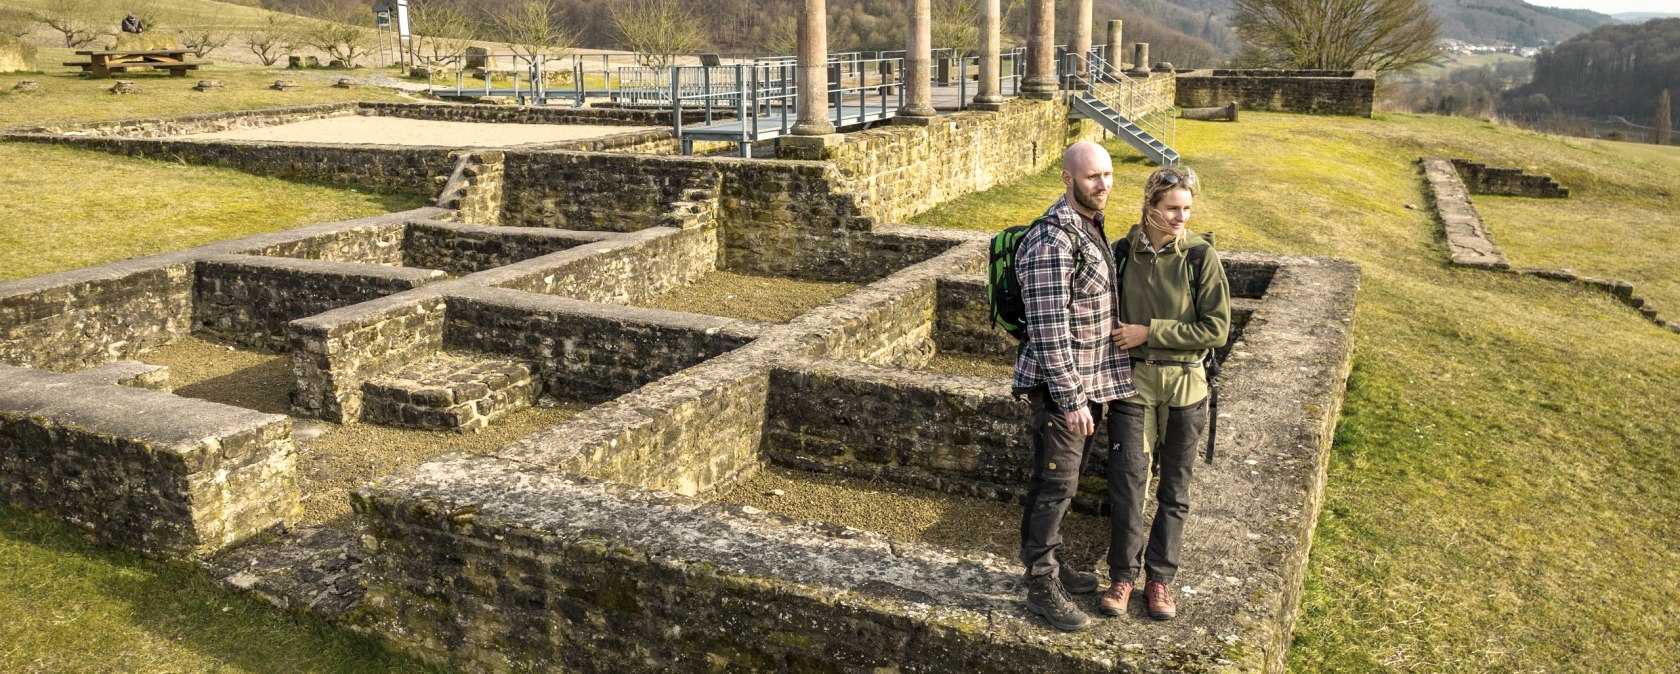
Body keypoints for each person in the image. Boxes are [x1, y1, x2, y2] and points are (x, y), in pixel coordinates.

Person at [1099, 166, 1230, 621]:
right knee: (1129, 484)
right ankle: (1122, 575)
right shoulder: (1120, 253)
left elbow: (1216, 329)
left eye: (1187, 209)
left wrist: (1148, 332)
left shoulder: (1200, 257)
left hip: (1186, 386)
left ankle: (1160, 580)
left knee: (1174, 489)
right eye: (1172, 208)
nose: (1181, 217)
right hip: (1132, 386)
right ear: (1150, 206)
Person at [1012, 140, 1134, 632]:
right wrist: (1071, 399)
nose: (1102, 185)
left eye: (1107, 175)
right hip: (1064, 391)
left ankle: (1054, 565)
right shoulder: (1052, 240)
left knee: (1058, 483)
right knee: (1055, 486)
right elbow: (1047, 328)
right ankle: (1042, 586)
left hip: (1089, 384)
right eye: (1091, 177)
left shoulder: (1088, 225)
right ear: (1067, 179)